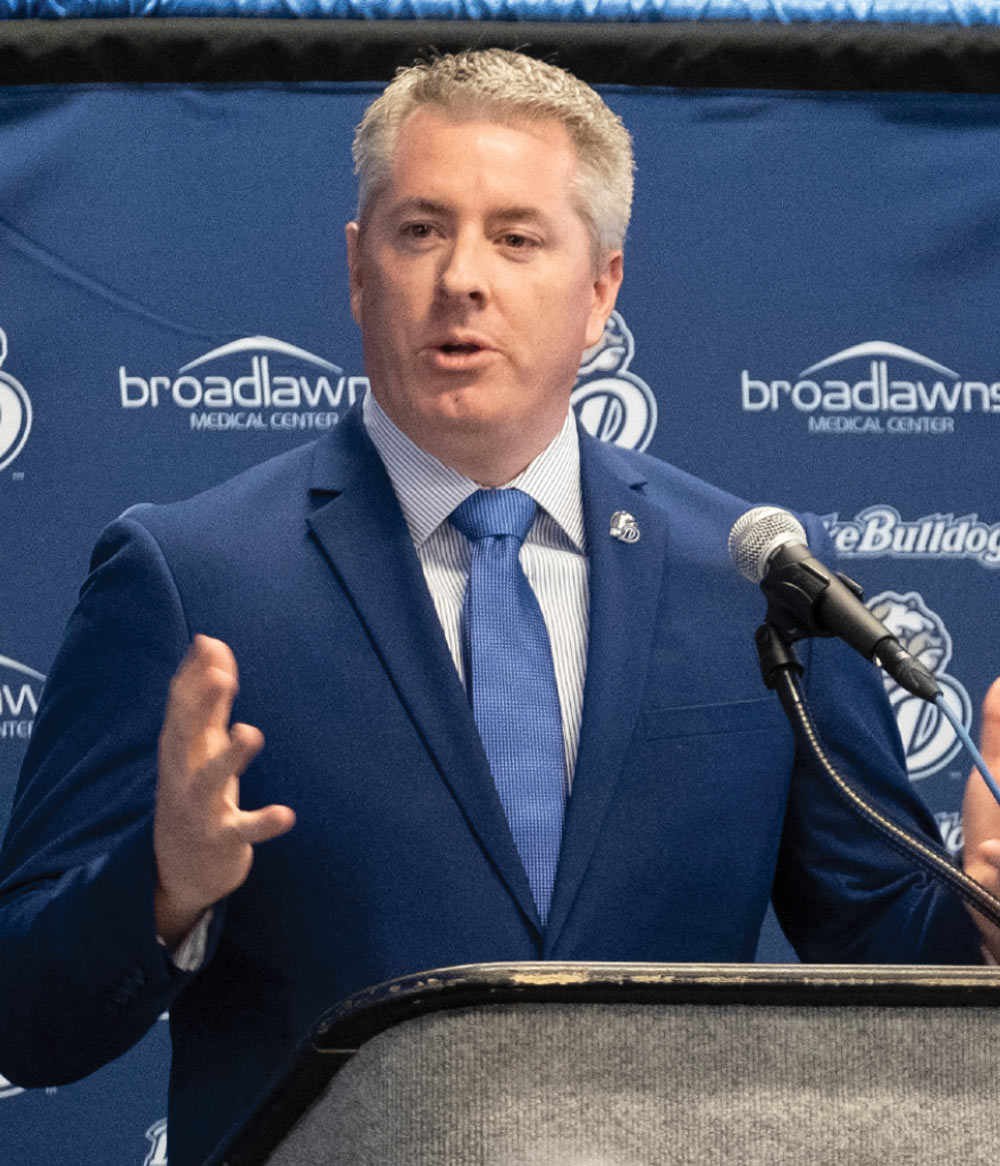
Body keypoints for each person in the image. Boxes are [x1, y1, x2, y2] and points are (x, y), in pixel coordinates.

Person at [2, 48, 1000, 1166]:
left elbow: (880, 946)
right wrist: (161, 885)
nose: (461, 278)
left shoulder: (750, 581)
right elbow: (24, 1012)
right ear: (356, 268)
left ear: (601, 290)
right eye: (420, 230)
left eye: (516, 238)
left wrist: (979, 911)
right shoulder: (189, 575)